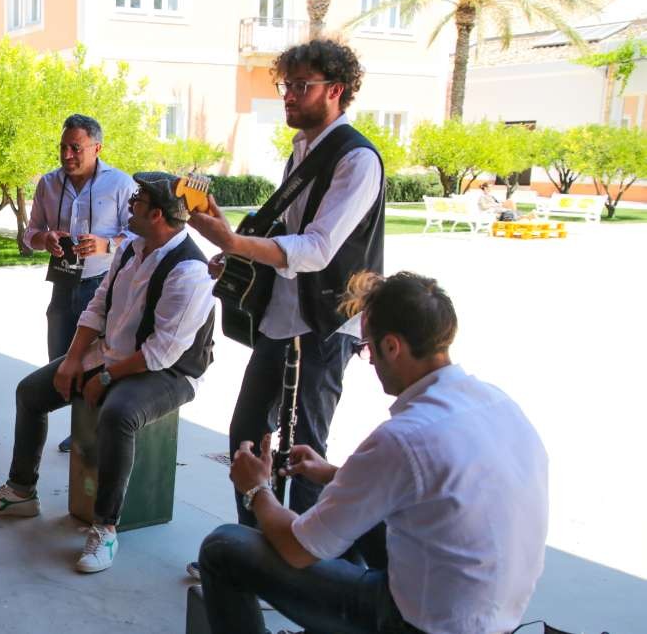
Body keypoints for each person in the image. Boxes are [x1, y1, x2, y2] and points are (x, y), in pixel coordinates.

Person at [197, 271, 549, 633]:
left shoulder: (404, 438)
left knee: (223, 548)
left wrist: (256, 489)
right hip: (492, 617)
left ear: (392, 346)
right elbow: (439, 490)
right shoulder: (499, 404)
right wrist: (335, 475)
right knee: (355, 517)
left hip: (414, 624)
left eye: (367, 348)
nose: (369, 360)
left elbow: (296, 550)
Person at [0, 172, 216, 573]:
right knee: (31, 391)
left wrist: (104, 377)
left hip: (170, 372)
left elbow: (161, 351)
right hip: (114, 353)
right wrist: (71, 360)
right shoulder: (132, 248)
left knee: (119, 415)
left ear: (156, 214)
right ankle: (21, 491)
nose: (129, 203)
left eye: (137, 199)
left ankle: (106, 527)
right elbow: (98, 306)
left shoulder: (190, 271)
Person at [187, 38, 385, 528]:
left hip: (324, 323)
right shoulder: (304, 151)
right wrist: (234, 252)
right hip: (283, 318)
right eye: (286, 85)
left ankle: (300, 558)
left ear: (336, 90)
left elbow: (316, 249)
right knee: (247, 437)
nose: (288, 96)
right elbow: (285, 235)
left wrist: (235, 244)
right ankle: (256, 544)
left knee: (304, 451)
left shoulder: (357, 159)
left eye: (301, 86)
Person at [23, 113, 136, 454]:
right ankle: (80, 427)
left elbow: (138, 236)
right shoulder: (48, 183)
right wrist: (47, 239)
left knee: (97, 360)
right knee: (60, 357)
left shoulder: (120, 184)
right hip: (62, 282)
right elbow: (29, 235)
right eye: (63, 147)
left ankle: (93, 431)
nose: (67, 155)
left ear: (97, 147)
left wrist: (107, 244)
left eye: (76, 148)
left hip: (103, 284)